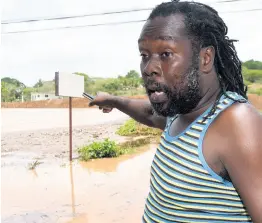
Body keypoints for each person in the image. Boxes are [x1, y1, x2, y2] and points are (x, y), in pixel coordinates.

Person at [89, 0, 262, 222]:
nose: (149, 68)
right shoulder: (181, 111)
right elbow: (151, 114)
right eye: (144, 55)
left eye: (166, 54)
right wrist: (114, 100)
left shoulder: (237, 122)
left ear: (205, 58)